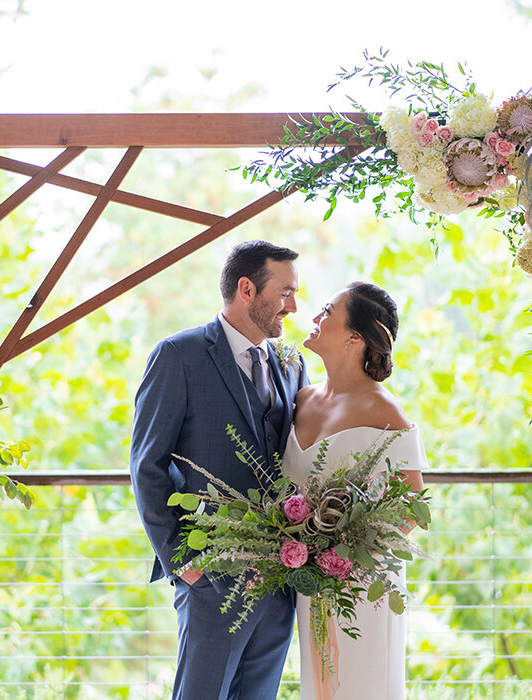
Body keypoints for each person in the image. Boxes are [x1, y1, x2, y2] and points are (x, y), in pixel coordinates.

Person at [130, 240, 310, 700]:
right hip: (211, 577)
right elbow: (147, 465)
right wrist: (182, 561)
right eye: (285, 292)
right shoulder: (179, 355)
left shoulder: (291, 364)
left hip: (279, 582)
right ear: (247, 289)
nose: (293, 305)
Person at [281, 281, 428, 700]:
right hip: (310, 582)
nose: (314, 317)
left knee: (363, 685)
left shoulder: (384, 410)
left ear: (354, 337)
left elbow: (413, 508)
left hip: (363, 584)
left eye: (327, 311)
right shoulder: (302, 399)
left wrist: (346, 554)